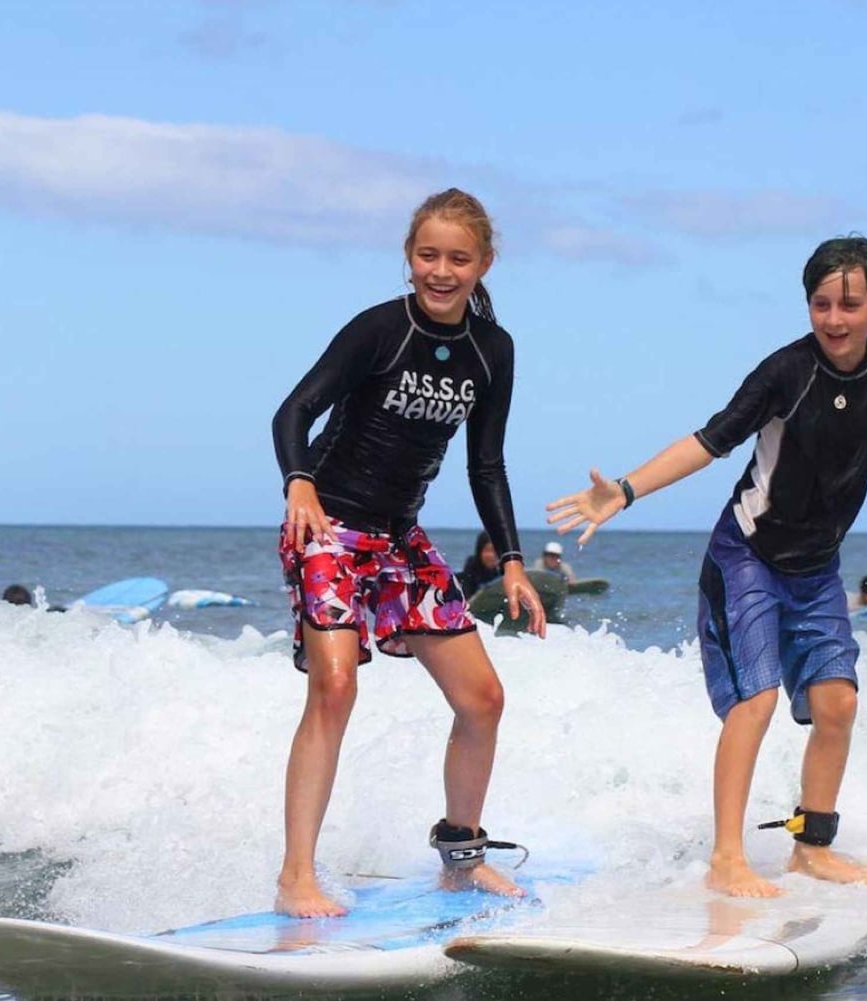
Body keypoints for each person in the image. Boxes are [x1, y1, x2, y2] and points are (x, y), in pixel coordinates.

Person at [547, 236, 867, 898]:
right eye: (821, 303)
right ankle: (727, 856)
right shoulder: (786, 372)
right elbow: (709, 440)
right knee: (757, 699)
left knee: (838, 703)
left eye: (850, 305)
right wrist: (625, 491)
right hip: (745, 557)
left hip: (817, 570)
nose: (834, 319)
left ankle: (810, 848)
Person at [271, 187, 546, 918]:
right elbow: (295, 410)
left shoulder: (493, 351)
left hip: (400, 538)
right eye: (428, 255)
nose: (442, 270)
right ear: (408, 256)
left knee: (483, 698)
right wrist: (299, 484)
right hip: (326, 526)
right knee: (334, 685)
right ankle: (297, 872)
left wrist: (512, 560)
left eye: (459, 257)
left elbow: (486, 463)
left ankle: (461, 859)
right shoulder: (379, 330)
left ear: (485, 262)